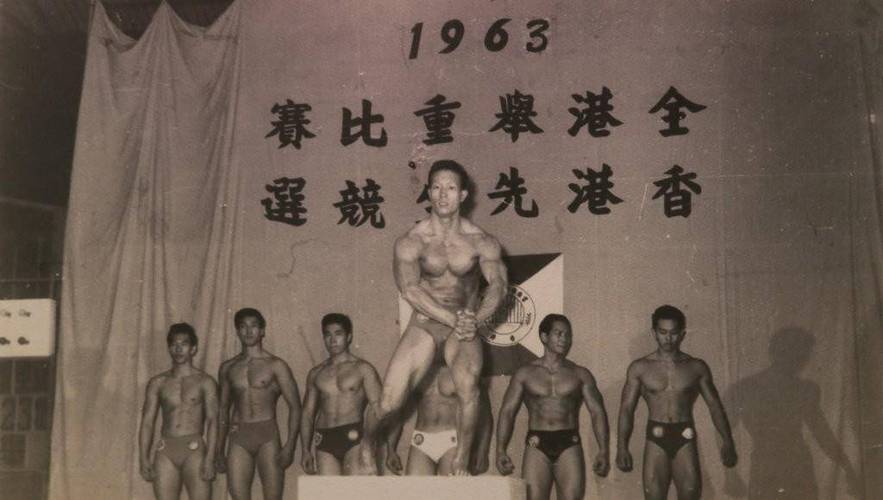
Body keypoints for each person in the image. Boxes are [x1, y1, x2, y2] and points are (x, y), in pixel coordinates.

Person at [369, 159, 508, 475]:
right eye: (436, 187)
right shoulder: (412, 241)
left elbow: (499, 287)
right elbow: (410, 289)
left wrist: (475, 320)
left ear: (463, 195)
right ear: (428, 193)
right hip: (427, 322)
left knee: (469, 387)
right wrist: (451, 317)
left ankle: (461, 459)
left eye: (451, 188)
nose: (443, 194)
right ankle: (366, 445)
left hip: (465, 324)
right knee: (389, 402)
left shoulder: (482, 241)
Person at [616, 305, 737, 500]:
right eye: (663, 332)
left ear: (682, 334)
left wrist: (727, 441)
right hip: (655, 436)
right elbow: (626, 409)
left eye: (673, 333)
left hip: (684, 435)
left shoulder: (696, 367)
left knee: (690, 493)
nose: (668, 338)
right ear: (654, 333)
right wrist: (622, 447)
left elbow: (715, 406)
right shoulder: (640, 368)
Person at [496, 314, 610, 500]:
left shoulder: (580, 374)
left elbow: (597, 412)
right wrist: (500, 450)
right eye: (559, 333)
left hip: (569, 442)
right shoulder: (525, 373)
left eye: (567, 334)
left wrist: (603, 450)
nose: (564, 339)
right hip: (537, 443)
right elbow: (507, 412)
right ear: (544, 337)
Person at [216, 308, 301, 500]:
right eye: (243, 326)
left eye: (253, 326)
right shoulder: (228, 367)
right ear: (237, 331)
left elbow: (295, 407)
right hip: (239, 435)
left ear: (262, 331)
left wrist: (290, 445)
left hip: (267, 435)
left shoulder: (276, 365)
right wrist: (219, 449)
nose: (248, 331)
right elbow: (222, 410)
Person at [139, 323, 218, 500]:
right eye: (174, 344)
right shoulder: (158, 383)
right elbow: (147, 422)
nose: (178, 348)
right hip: (166, 449)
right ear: (169, 348)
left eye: (184, 344)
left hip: (194, 450)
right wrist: (143, 458)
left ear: (193, 349)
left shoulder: (205, 382)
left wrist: (210, 458)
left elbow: (213, 421)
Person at [300, 313, 383, 475]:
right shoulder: (316, 373)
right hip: (324, 438)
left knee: (354, 489)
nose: (332, 340)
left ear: (349, 337)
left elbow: (379, 409)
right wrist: (305, 450)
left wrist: (371, 441)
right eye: (327, 335)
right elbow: (307, 414)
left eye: (338, 334)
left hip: (354, 437)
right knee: (329, 490)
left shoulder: (363, 369)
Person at [385, 360, 492, 476]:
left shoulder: (463, 369)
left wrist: (483, 450)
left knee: (453, 487)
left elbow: (484, 413)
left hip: (452, 441)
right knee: (415, 487)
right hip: (421, 440)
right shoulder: (418, 371)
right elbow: (399, 411)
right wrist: (391, 449)